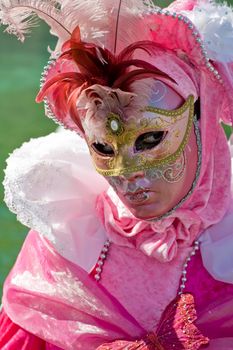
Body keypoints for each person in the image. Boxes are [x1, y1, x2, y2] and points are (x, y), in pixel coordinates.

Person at [0, 0, 233, 349]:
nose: (128, 175)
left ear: (201, 120)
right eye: (105, 149)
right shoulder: (68, 243)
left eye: (151, 138)